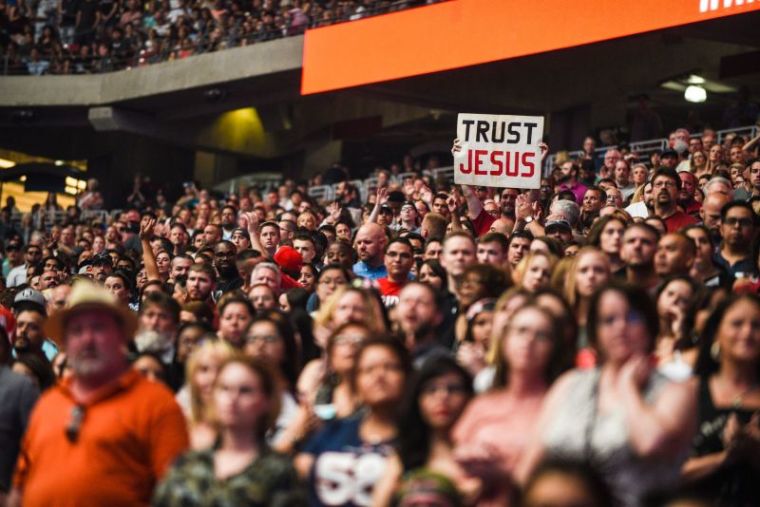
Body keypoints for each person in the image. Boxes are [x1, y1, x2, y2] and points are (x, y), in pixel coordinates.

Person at [9, 281, 189, 506]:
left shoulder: (157, 404)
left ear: (121, 337)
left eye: (98, 328)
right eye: (77, 330)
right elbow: (20, 485)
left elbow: (179, 495)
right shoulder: (48, 402)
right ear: (65, 342)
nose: (87, 340)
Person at [518, 282, 697, 507]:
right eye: (608, 320)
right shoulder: (570, 383)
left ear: (649, 326)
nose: (620, 327)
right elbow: (532, 460)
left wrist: (628, 387)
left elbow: (650, 443)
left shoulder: (675, 390)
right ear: (595, 332)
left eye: (632, 318)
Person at [153, 356, 305, 506]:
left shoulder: (278, 472)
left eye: (245, 391)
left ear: (265, 400)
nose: (232, 398)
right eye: (224, 389)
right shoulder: (188, 463)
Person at [454, 304, 567, 506]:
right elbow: (456, 468)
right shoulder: (482, 404)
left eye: (541, 335)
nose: (529, 341)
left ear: (554, 348)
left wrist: (500, 475)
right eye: (521, 331)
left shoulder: (559, 405)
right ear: (505, 340)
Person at [295, 337, 411, 507]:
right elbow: (297, 470)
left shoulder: (417, 437)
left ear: (407, 376)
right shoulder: (336, 429)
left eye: (390, 367)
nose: (379, 376)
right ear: (357, 382)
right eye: (368, 370)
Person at [682, 294, 760, 507]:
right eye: (737, 324)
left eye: (757, 325)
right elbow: (663, 473)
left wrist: (754, 450)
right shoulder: (689, 392)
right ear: (716, 333)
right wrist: (726, 458)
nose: (747, 333)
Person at [373, 356, 475, 506]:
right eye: (431, 390)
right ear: (417, 401)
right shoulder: (403, 459)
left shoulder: (480, 459)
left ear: (468, 397)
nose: (442, 397)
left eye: (453, 389)